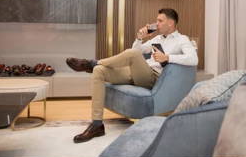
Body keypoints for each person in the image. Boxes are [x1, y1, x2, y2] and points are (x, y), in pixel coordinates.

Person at [66, 8, 198, 143]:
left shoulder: (182, 39)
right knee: (99, 71)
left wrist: (168, 57)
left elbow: (193, 59)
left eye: (160, 20)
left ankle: (92, 63)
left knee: (129, 56)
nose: (156, 23)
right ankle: (97, 125)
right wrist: (140, 38)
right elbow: (137, 50)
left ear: (170, 23)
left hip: (153, 78)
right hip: (139, 72)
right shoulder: (157, 38)